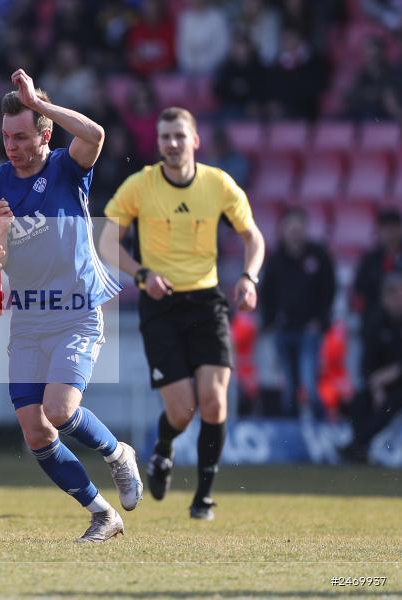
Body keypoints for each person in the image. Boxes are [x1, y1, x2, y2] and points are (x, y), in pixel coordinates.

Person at [0, 69, 143, 543]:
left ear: (45, 134)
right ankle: (102, 513)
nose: (11, 145)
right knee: (34, 431)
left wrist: (42, 102)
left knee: (59, 408)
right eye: (6, 136)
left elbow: (95, 134)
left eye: (23, 135)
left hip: (77, 309)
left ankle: (117, 455)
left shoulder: (66, 168)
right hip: (28, 316)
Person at [100, 106, 265, 521]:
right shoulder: (140, 185)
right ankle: (163, 450)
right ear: (157, 144)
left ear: (195, 140)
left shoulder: (218, 184)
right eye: (164, 138)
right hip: (160, 305)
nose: (172, 144)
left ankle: (203, 497)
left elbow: (253, 238)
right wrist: (142, 275)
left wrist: (249, 277)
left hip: (207, 301)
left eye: (178, 136)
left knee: (214, 402)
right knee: (182, 410)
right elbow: (106, 241)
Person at [259, 208, 336, 419]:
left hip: (310, 330)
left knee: (309, 384)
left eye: (298, 226)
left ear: (305, 228)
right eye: (290, 226)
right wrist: (269, 322)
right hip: (284, 330)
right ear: (282, 230)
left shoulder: (318, 256)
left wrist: (320, 320)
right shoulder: (276, 260)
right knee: (289, 387)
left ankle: (322, 429)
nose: (295, 231)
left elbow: (329, 290)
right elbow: (267, 294)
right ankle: (292, 436)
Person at [340, 271, 402, 463]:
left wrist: (384, 378)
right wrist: (375, 385)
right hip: (379, 382)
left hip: (398, 385)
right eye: (394, 296)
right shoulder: (374, 321)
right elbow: (368, 361)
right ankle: (360, 446)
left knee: (390, 403)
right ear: (385, 298)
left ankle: (358, 443)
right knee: (360, 400)